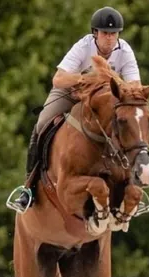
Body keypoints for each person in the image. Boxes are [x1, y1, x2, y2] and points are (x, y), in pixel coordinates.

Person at [12, 6, 141, 212]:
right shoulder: (83, 46)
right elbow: (59, 78)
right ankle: (28, 187)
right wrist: (88, 79)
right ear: (95, 33)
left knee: (131, 123)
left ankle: (130, 184)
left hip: (104, 100)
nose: (109, 38)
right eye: (105, 33)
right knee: (42, 121)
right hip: (71, 93)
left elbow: (135, 86)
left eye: (114, 33)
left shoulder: (124, 50)